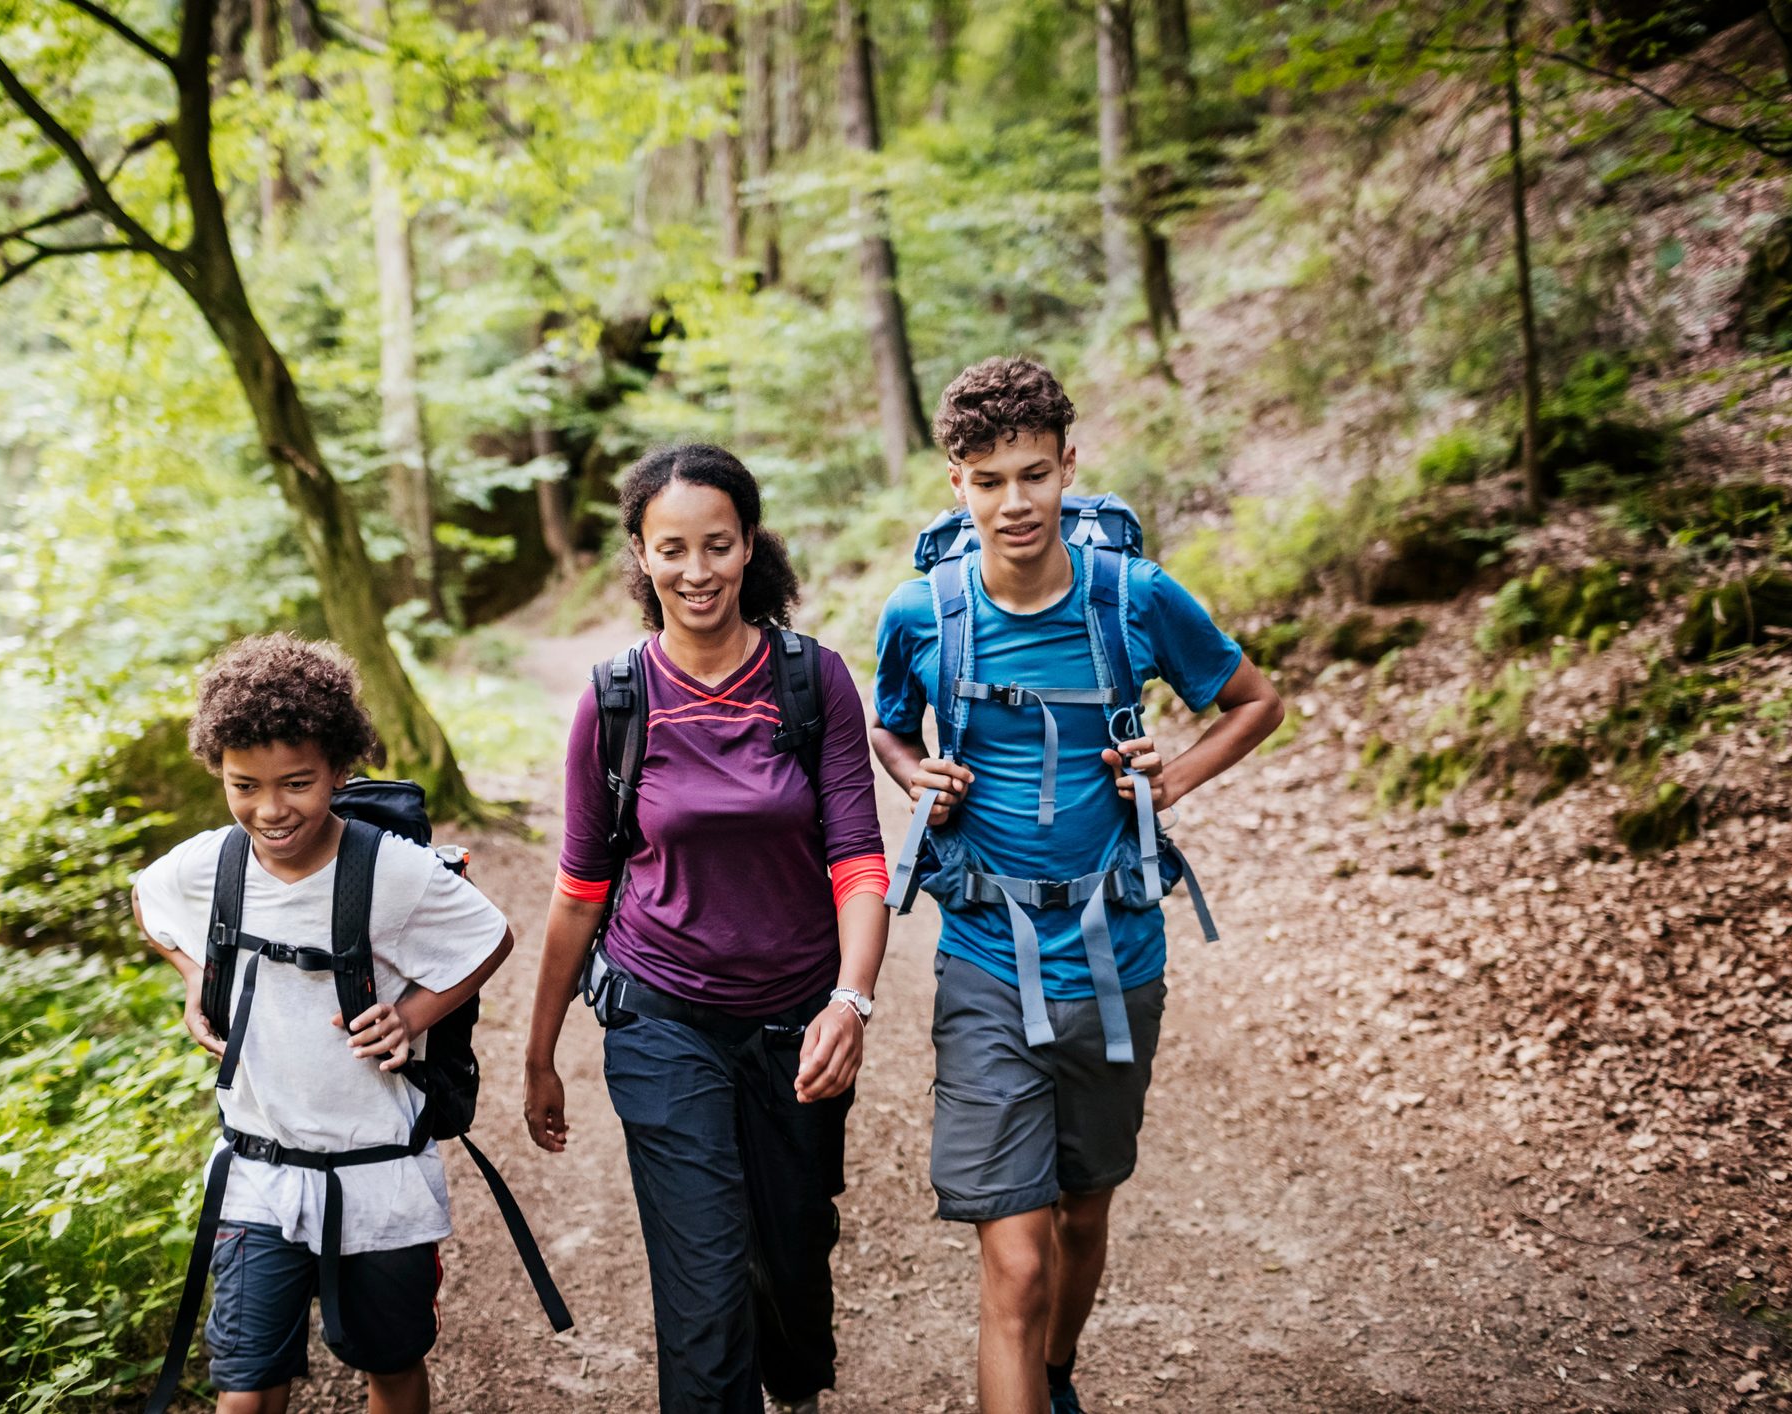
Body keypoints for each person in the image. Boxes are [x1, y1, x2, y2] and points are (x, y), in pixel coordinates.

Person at [869, 358, 1284, 1414]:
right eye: (991, 478)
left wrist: (1172, 773)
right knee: (1013, 1262)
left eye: (1036, 474)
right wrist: (917, 772)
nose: (1016, 502)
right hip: (984, 957)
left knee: (1083, 1218)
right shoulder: (922, 612)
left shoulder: (1134, 597)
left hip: (1118, 951)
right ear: (953, 479)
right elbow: (886, 721)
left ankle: (1055, 1377)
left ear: (1069, 466)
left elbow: (1253, 699)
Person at [522, 443, 892, 1414]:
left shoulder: (814, 684)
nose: (696, 571)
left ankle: (798, 1381)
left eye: (717, 545)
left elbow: (857, 859)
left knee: (792, 1257)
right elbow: (579, 888)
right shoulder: (616, 699)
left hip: (798, 1023)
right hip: (663, 1019)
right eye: (671, 548)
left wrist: (852, 999)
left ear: (749, 545)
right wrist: (539, 1052)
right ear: (640, 556)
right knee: (705, 1287)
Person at [132, 633, 514, 1414]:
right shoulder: (210, 864)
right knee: (244, 1392)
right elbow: (147, 899)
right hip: (257, 1172)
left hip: (380, 1176)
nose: (270, 810)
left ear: (340, 770)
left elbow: (489, 936)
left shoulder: (392, 870)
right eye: (245, 786)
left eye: (297, 783)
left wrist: (413, 1015)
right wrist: (194, 973)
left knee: (392, 1368)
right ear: (218, 771)